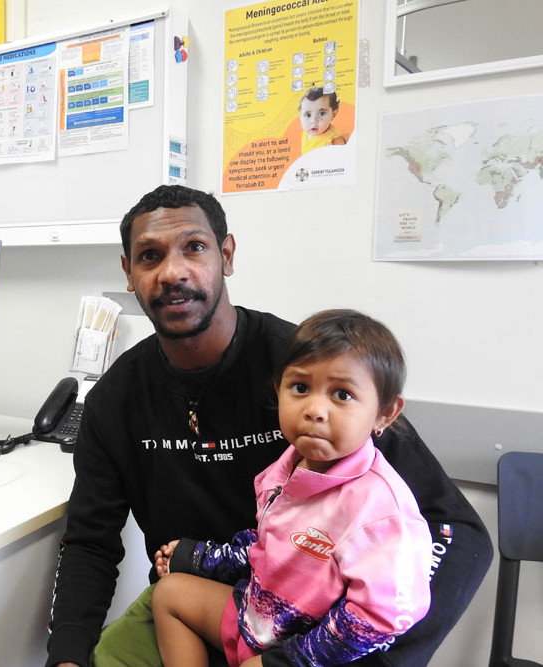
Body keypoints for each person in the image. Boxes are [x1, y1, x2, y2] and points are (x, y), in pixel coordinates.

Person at [44, 184, 492, 667]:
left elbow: (458, 531)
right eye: (149, 256)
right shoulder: (115, 400)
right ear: (129, 274)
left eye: (194, 248)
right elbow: (91, 541)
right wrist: (67, 654)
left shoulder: (310, 375)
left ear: (227, 255)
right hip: (196, 613)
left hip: (316, 639)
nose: (172, 272)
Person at [151, 309, 433, 667]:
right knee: (169, 595)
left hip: (304, 648)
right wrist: (202, 558)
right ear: (278, 390)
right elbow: (267, 546)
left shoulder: (380, 509)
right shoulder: (281, 471)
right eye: (300, 388)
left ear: (385, 413)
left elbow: (381, 617)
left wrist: (289, 659)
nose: (315, 409)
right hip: (258, 615)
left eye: (342, 395)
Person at [298, 87, 346, 154]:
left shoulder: (334, 141)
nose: (313, 120)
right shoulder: (306, 133)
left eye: (322, 113)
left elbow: (342, 160)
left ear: (333, 114)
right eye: (308, 115)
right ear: (300, 115)